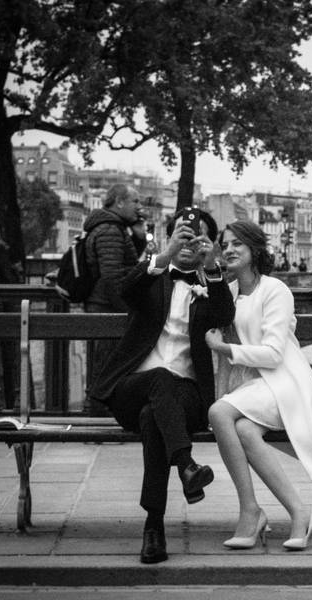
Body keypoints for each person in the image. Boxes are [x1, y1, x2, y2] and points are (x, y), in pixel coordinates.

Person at [89, 207, 235, 564]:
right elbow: (123, 289)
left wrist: (212, 266)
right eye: (181, 234)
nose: (188, 243)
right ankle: (184, 464)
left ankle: (154, 525)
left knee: (155, 414)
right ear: (170, 236)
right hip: (131, 387)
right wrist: (164, 255)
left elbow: (225, 316)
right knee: (158, 381)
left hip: (185, 397)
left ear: (208, 243)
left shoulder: (210, 283)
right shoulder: (152, 278)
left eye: (196, 237)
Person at [205, 219, 312, 551]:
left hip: (281, 384)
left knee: (218, 413)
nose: (228, 249)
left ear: (255, 250)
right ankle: (298, 511)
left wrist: (226, 349)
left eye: (236, 244)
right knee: (243, 430)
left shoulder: (275, 290)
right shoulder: (226, 292)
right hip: (249, 388)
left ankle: (250, 512)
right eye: (224, 244)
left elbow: (273, 355)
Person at [82, 184, 144, 412]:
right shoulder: (109, 229)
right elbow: (112, 276)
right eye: (135, 201)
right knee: (106, 365)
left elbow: (124, 263)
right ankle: (98, 415)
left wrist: (138, 236)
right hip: (106, 306)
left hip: (104, 303)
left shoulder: (112, 226)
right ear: (119, 201)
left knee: (106, 363)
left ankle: (100, 412)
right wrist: (126, 310)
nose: (139, 206)